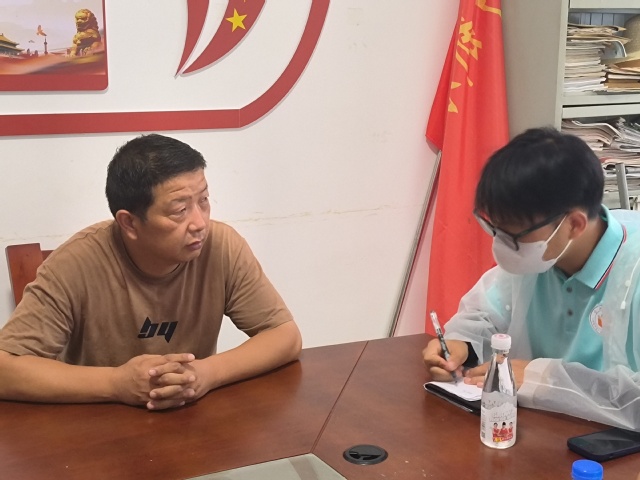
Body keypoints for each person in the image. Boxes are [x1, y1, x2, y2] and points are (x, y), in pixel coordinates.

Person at [0, 134, 302, 411]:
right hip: (97, 425)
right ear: (129, 223)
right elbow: (5, 369)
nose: (200, 223)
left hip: (191, 422)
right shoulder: (76, 263)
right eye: (180, 210)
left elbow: (284, 335)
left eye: (203, 201)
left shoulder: (221, 246)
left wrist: (206, 373)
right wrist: (116, 383)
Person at [423, 127, 640, 430]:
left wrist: (546, 380)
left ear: (574, 224)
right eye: (496, 229)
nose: (501, 245)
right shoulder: (543, 254)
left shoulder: (632, 271)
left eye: (514, 235)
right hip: (535, 430)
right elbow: (484, 314)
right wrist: (460, 346)